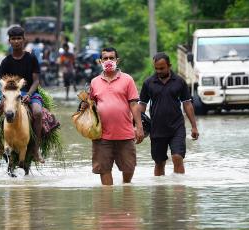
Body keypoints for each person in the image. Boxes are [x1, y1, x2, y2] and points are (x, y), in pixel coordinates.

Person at [83, 47, 144, 185]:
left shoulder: (128, 80)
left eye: (112, 58)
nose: (108, 61)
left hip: (126, 134)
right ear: (100, 61)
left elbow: (134, 105)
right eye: (105, 58)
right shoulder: (94, 82)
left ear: (117, 60)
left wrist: (139, 127)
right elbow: (91, 106)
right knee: (104, 169)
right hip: (101, 135)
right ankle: (107, 204)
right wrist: (84, 106)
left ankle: (126, 192)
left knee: (129, 167)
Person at [139, 52, 199, 176]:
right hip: (156, 129)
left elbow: (187, 104)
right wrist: (137, 126)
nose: (159, 71)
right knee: (159, 162)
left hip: (176, 127)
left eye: (162, 68)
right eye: (156, 68)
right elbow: (142, 105)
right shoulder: (148, 83)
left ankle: (179, 191)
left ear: (169, 65)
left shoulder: (179, 82)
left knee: (177, 157)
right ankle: (160, 193)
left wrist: (194, 126)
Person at [0, 26, 44, 163]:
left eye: (19, 38)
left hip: (30, 93)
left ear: (24, 40)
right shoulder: (5, 62)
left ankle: (35, 149)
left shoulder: (31, 58)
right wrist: (1, 99)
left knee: (38, 112)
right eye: (13, 39)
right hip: (10, 95)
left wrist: (28, 94)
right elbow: (2, 84)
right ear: (9, 41)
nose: (16, 41)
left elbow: (36, 81)